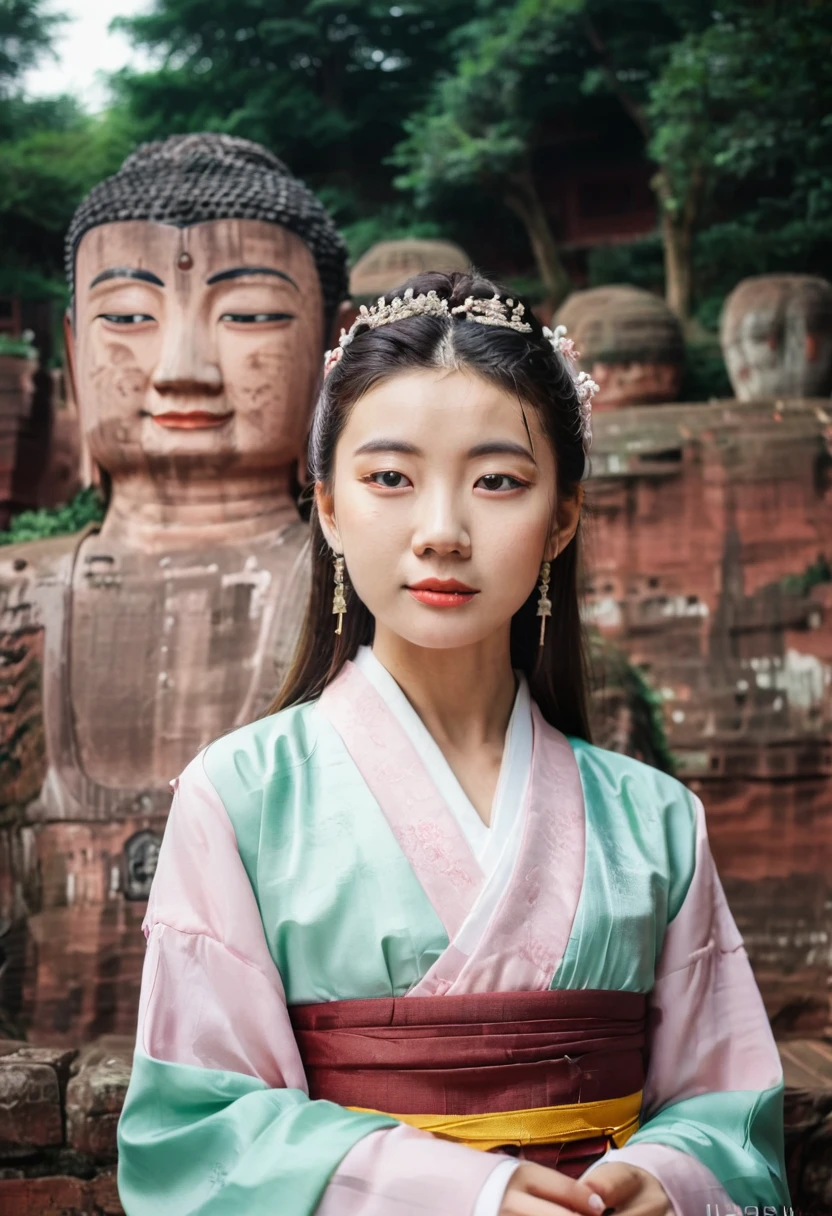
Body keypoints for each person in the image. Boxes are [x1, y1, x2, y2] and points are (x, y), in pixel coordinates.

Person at [117, 272, 790, 1216]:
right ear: (329, 507)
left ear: (563, 517)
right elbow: (199, 1130)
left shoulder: (657, 818)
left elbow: (728, 1105)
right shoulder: (237, 796)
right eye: (390, 478)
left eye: (499, 482)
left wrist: (670, 1177)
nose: (442, 532)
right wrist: (459, 1192)